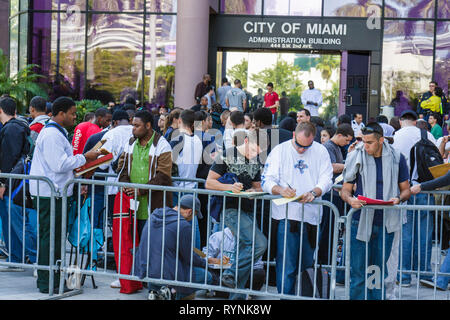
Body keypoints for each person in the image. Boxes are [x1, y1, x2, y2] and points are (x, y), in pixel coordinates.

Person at [29, 96, 101, 293]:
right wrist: (84, 157)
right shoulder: (52, 135)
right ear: (60, 114)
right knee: (50, 239)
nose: (74, 117)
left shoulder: (57, 133)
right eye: (72, 113)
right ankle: (48, 282)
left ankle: (52, 279)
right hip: (50, 195)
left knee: (54, 239)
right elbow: (59, 164)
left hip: (55, 193)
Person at [340, 122, 411, 300]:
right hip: (360, 220)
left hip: (386, 222)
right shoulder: (356, 155)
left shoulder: (397, 157)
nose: (365, 146)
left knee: (377, 272)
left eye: (369, 142)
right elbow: (345, 190)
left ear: (381, 140)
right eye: (364, 141)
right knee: (357, 272)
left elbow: (406, 190)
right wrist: (350, 200)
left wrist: (399, 199)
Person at [262, 122, 333, 296]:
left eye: (306, 146)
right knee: (287, 264)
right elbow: (267, 180)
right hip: (287, 215)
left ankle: (305, 296)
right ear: (294, 135)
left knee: (307, 265)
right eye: (299, 145)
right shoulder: (280, 150)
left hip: (311, 215)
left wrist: (315, 192)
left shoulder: (320, 151)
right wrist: (280, 190)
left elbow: (327, 178)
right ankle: (285, 296)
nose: (302, 150)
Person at [205, 129, 268, 300]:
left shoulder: (256, 160)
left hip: (248, 208)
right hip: (230, 208)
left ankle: (235, 295)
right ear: (246, 141)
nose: (257, 153)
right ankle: (230, 274)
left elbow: (258, 186)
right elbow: (209, 183)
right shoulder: (227, 155)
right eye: (255, 149)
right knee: (259, 244)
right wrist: (229, 187)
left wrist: (255, 190)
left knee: (245, 251)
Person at [134, 194, 215, 300]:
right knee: (206, 276)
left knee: (161, 260)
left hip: (144, 268)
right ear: (189, 211)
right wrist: (206, 263)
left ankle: (155, 290)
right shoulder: (183, 226)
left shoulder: (155, 215)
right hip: (165, 273)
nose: (191, 219)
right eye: (193, 216)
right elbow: (189, 257)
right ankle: (175, 295)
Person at [392, 110, 438, 287]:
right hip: (425, 189)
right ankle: (424, 273)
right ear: (415, 121)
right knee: (425, 233)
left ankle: (403, 276)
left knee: (405, 232)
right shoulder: (427, 135)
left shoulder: (398, 136)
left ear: (402, 120)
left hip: (404, 190)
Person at [117, 110, 173, 239]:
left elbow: (163, 176)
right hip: (132, 207)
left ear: (148, 126)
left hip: (154, 207)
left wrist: (140, 190)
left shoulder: (163, 145)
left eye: (137, 126)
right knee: (133, 246)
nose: (133, 129)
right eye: (133, 126)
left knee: (152, 248)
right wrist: (125, 184)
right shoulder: (130, 143)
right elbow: (121, 167)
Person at [0, 96, 37, 269]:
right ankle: (17, 257)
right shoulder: (18, 126)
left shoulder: (11, 129)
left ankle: (35, 258)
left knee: (16, 221)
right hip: (16, 183)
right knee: (13, 221)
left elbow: (8, 159)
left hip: (13, 185)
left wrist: (2, 184)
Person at [202, 227, 266, 292]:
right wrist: (217, 261)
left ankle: (219, 290)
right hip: (221, 271)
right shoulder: (218, 236)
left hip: (241, 273)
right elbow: (204, 256)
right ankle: (240, 292)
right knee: (206, 272)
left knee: (259, 274)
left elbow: (258, 265)